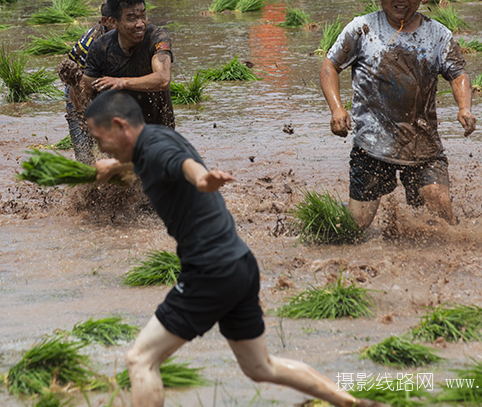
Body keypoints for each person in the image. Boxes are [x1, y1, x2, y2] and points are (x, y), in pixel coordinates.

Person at [84, 91, 382, 407]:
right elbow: (154, 164)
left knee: (140, 359)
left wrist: (203, 179)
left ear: (119, 126)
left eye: (99, 137)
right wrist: (114, 169)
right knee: (260, 367)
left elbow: (183, 166)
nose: (99, 146)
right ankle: (352, 403)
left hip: (210, 271)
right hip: (239, 265)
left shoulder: (155, 148)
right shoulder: (155, 139)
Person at [319, 0, 475, 230]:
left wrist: (464, 108)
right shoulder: (363, 29)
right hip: (372, 143)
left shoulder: (438, 34)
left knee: (443, 216)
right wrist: (336, 108)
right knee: (356, 225)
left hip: (422, 143)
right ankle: (323, 219)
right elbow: (329, 66)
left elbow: (458, 73)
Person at [80, 0, 173, 128]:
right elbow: (86, 94)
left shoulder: (157, 38)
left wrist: (121, 82)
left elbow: (163, 79)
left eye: (143, 16)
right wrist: (74, 82)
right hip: (120, 129)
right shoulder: (100, 48)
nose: (140, 24)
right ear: (112, 22)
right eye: (132, 19)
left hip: (158, 126)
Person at [58, 4, 111, 164]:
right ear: (107, 21)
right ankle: (85, 186)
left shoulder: (125, 38)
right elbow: (73, 74)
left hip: (105, 94)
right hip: (79, 93)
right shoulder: (89, 44)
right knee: (84, 156)